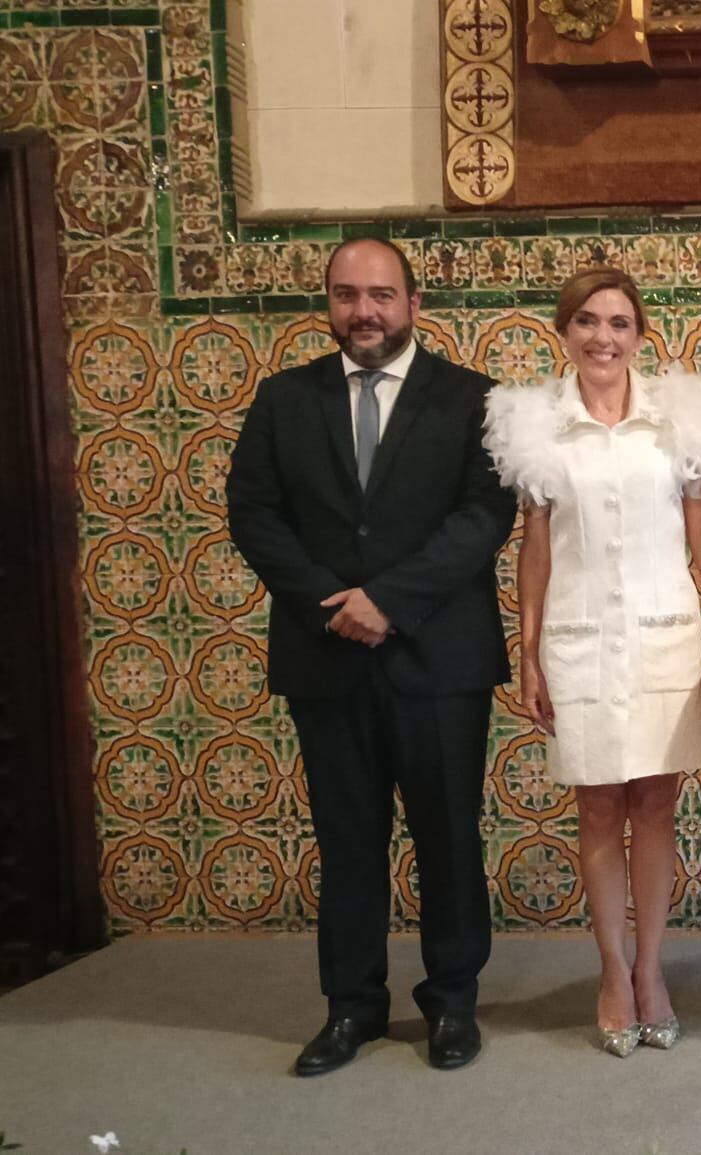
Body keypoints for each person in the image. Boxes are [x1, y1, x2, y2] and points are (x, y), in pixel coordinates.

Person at [226, 237, 517, 1075]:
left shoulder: (473, 400)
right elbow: (254, 512)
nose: (365, 311)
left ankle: (452, 1002)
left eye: (382, 295)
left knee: (448, 836)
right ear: (328, 303)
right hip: (327, 659)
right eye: (349, 294)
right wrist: (332, 602)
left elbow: (483, 516)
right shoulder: (284, 400)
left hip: (441, 658)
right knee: (348, 837)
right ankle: (351, 1007)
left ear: (414, 304)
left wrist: (389, 600)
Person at [481, 266, 701, 1058]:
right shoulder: (534, 424)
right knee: (598, 809)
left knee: (656, 805)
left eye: (619, 323)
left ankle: (652, 971)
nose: (603, 336)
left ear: (640, 335)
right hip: (578, 638)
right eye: (587, 321)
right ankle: (611, 970)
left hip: (664, 633)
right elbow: (534, 551)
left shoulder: (679, 419)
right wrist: (527, 653)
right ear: (565, 331)